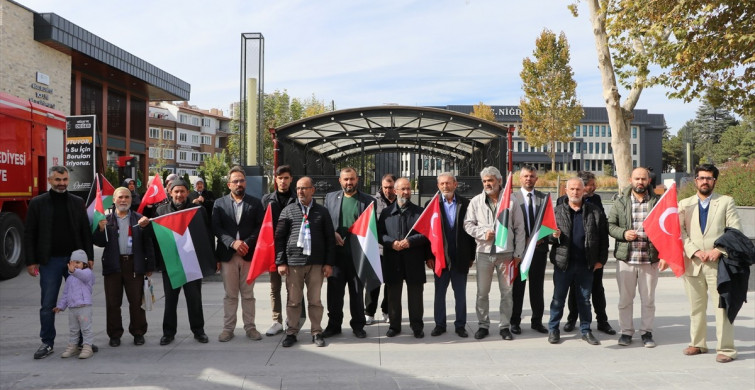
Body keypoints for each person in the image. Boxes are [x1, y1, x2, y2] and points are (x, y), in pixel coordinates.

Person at [25, 165, 95, 360]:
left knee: (80, 302)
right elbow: (29, 234)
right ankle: (47, 343)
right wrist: (31, 261)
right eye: (58, 180)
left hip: (76, 262)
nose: (62, 184)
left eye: (65, 180)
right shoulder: (37, 203)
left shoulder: (77, 202)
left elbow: (84, 232)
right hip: (50, 262)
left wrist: (89, 257)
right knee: (48, 304)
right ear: (49, 180)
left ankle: (83, 342)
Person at [679, 164, 742, 363]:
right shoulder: (684, 204)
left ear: (714, 181)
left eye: (709, 178)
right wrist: (694, 251)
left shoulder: (725, 202)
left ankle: (726, 349)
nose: (704, 181)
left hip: (719, 264)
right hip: (693, 263)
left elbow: (734, 231)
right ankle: (698, 343)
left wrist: (719, 250)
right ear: (695, 180)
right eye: (701, 178)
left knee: (722, 307)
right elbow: (680, 233)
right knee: (696, 307)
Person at [463, 167, 525, 341]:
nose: (487, 184)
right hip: (484, 253)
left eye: (490, 180)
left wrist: (518, 253)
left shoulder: (511, 200)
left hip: (506, 254)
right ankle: (483, 325)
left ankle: (505, 326)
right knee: (482, 292)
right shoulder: (475, 201)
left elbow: (520, 228)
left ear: (499, 180)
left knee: (507, 292)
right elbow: (468, 225)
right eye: (484, 181)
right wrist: (482, 233)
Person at [275, 176, 336, 347]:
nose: (300, 191)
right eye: (298, 188)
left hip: (316, 264)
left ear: (312, 190)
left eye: (304, 188)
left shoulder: (322, 212)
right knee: (293, 301)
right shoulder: (288, 210)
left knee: (315, 301)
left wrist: (328, 263)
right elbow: (279, 238)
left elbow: (329, 239)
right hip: (293, 263)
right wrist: (281, 262)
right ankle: (291, 332)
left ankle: (316, 332)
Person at [152, 179, 214, 345]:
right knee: (170, 300)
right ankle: (168, 333)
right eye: (176, 191)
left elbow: (207, 235)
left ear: (188, 192)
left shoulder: (198, 211)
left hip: (192, 261)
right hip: (171, 263)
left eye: (182, 191)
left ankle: (198, 331)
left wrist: (211, 259)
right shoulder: (160, 211)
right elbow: (155, 238)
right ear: (170, 193)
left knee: (194, 299)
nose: (179, 195)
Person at [547, 178, 608, 346]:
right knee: (558, 299)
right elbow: (545, 237)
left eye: (578, 189)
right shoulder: (556, 211)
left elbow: (603, 239)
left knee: (585, 300)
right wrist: (553, 236)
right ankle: (553, 329)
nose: (575, 192)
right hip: (563, 264)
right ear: (566, 190)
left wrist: (601, 260)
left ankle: (586, 330)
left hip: (585, 264)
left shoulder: (595, 212)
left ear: (584, 191)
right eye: (572, 189)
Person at [93, 186, 155, 347]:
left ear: (131, 200)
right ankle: (114, 334)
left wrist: (150, 265)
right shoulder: (106, 220)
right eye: (120, 197)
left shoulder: (140, 219)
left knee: (136, 302)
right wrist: (100, 230)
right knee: (113, 303)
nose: (123, 200)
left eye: (127, 197)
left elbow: (149, 242)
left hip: (134, 264)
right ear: (114, 200)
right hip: (113, 264)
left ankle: (138, 332)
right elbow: (99, 243)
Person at [607, 167, 661, 348]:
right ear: (631, 180)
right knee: (625, 299)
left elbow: (667, 228)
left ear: (649, 181)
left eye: (643, 179)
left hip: (649, 259)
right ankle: (626, 332)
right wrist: (623, 233)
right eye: (637, 178)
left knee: (648, 300)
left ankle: (646, 332)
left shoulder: (658, 202)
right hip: (626, 259)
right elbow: (610, 225)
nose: (640, 182)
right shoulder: (620, 201)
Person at [559, 171, 615, 335]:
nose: (594, 186)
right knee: (573, 290)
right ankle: (571, 319)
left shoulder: (596, 200)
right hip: (573, 256)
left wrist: (601, 258)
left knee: (597, 289)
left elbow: (602, 226)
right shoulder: (563, 201)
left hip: (593, 255)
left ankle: (602, 321)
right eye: (591, 184)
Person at [212, 166, 265, 342]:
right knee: (230, 295)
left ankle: (250, 328)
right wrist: (232, 243)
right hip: (227, 255)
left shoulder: (256, 203)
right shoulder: (219, 204)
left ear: (246, 183)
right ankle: (228, 329)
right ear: (229, 185)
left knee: (248, 294)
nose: (239, 184)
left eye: (241, 180)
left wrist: (245, 243)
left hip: (248, 255)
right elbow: (216, 228)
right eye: (235, 181)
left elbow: (260, 228)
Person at [322, 167, 375, 339]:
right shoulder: (330, 198)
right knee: (334, 294)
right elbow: (324, 223)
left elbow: (372, 228)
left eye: (352, 179)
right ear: (340, 181)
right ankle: (334, 325)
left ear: (357, 179)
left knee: (357, 294)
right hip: (336, 256)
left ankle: (358, 325)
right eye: (345, 179)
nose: (349, 182)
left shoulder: (367, 200)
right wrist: (333, 233)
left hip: (357, 256)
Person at [377, 177, 429, 338]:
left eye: (408, 189)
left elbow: (426, 234)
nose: (406, 192)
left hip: (414, 260)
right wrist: (391, 243)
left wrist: (410, 242)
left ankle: (417, 326)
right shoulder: (386, 213)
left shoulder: (420, 212)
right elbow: (379, 234)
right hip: (393, 260)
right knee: (393, 295)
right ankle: (394, 325)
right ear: (395, 191)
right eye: (403, 189)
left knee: (415, 295)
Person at [427, 173, 476, 338]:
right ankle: (439, 325)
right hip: (440, 259)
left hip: (460, 257)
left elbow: (471, 232)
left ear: (455, 184)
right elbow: (428, 234)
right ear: (438, 186)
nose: (445, 186)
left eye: (448, 183)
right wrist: (429, 256)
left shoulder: (466, 204)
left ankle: (460, 325)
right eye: (442, 184)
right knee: (439, 294)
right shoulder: (431, 205)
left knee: (460, 295)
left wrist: (471, 256)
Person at [510, 166, 549, 334]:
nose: (529, 179)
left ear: (536, 179)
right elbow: (508, 224)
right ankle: (515, 322)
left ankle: (537, 321)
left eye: (532, 176)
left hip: (539, 251)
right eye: (525, 176)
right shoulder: (512, 198)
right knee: (518, 288)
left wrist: (542, 236)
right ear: (520, 178)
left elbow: (549, 222)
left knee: (537, 288)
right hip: (519, 251)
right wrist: (522, 239)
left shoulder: (544, 198)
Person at [261, 165, 299, 336]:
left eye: (286, 178)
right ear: (275, 179)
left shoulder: (297, 198)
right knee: (274, 287)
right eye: (280, 178)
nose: (283, 181)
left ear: (291, 179)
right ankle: (276, 320)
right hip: (273, 250)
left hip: (293, 249)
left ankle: (292, 320)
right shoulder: (267, 200)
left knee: (293, 287)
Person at [365, 173, 396, 325]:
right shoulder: (373, 202)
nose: (388, 190)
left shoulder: (401, 201)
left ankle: (387, 310)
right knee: (373, 283)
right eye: (385, 187)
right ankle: (369, 312)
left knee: (391, 284)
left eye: (390, 187)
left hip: (394, 250)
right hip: (376, 249)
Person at [53, 250, 95, 359]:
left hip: (84, 308)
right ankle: (73, 346)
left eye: (78, 262)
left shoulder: (87, 273)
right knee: (73, 329)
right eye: (73, 262)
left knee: (86, 328)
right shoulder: (70, 278)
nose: (75, 265)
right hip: (72, 309)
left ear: (84, 264)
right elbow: (66, 294)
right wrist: (61, 306)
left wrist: (73, 272)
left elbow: (84, 276)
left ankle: (87, 347)